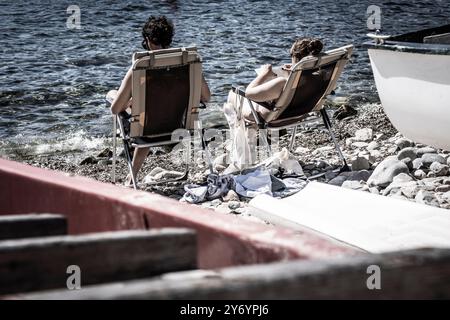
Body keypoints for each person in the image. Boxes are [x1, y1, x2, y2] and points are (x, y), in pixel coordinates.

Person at [110, 16, 211, 185]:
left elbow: (115, 110)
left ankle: (132, 177)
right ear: (169, 39)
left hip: (146, 130)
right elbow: (206, 97)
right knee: (151, 111)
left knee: (117, 98)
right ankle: (131, 176)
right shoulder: (189, 62)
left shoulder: (139, 66)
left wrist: (126, 101)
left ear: (148, 40)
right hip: (180, 126)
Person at [226, 37, 323, 121]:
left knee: (233, 94)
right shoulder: (320, 78)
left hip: (276, 119)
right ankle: (252, 137)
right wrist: (294, 70)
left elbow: (249, 93)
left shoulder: (282, 83)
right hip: (300, 115)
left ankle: (241, 139)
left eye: (291, 56)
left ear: (295, 57)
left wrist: (264, 75)